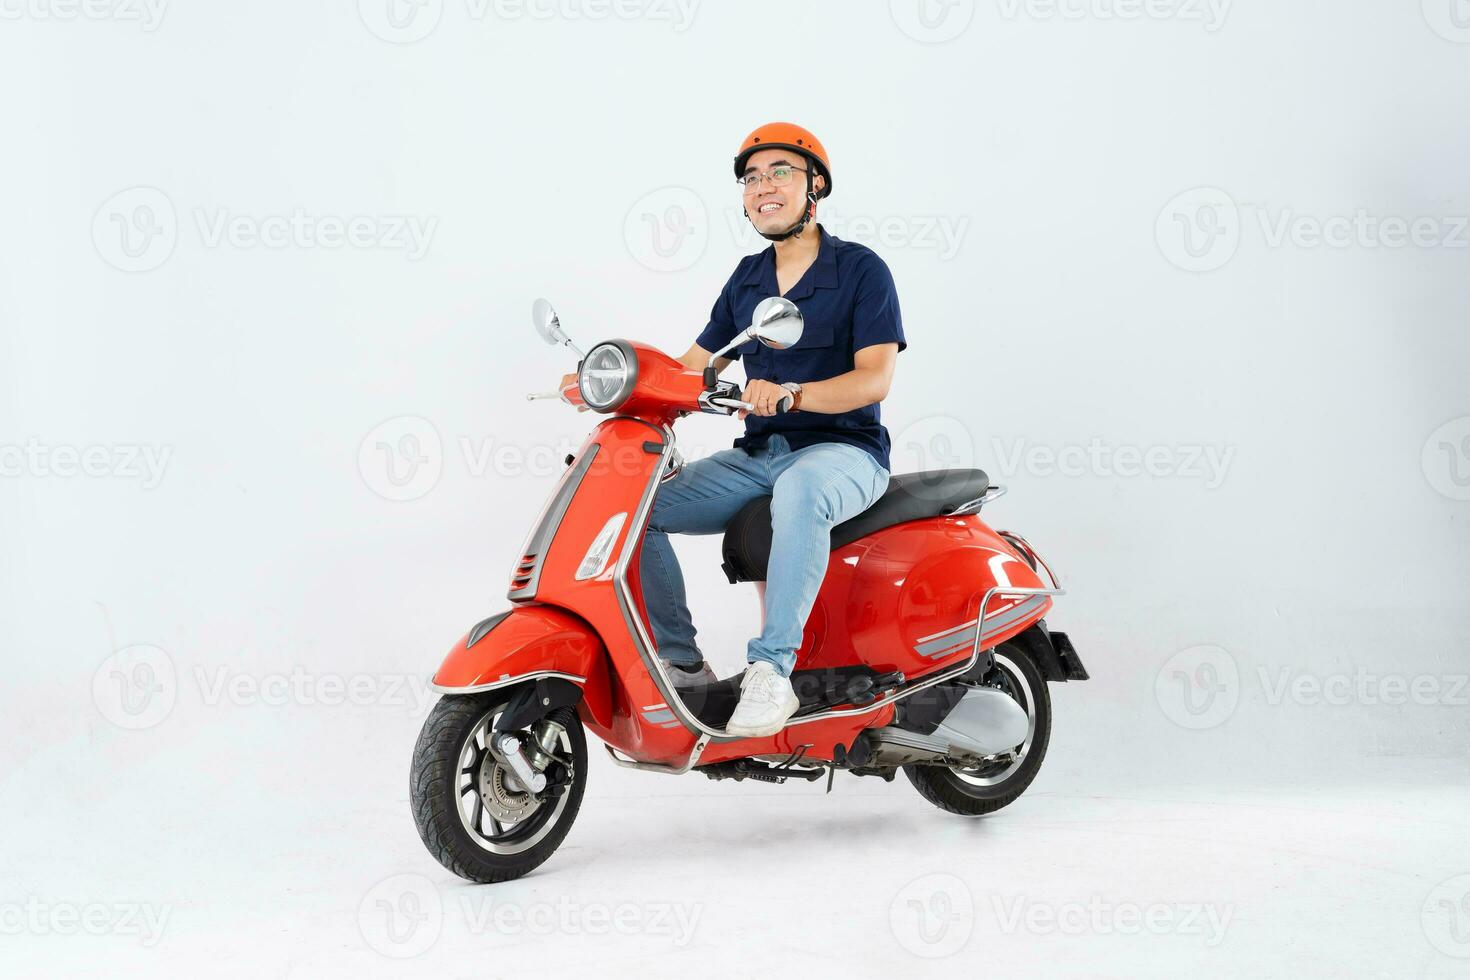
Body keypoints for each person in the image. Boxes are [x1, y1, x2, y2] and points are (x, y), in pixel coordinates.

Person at [567, 122, 907, 736]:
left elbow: (874, 379)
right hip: (760, 454)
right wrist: (609, 382)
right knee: (635, 508)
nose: (763, 186)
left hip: (843, 451)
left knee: (799, 491)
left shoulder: (861, 270)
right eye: (751, 178)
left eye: (781, 172)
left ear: (816, 187)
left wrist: (794, 394)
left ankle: (773, 673)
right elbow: (694, 367)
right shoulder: (747, 279)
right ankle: (681, 661)